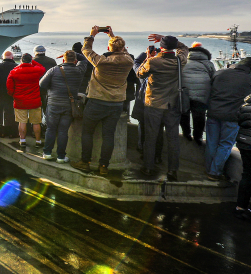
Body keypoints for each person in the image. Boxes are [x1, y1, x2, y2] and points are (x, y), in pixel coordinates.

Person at [72, 27, 134, 175]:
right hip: (116, 103)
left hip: (97, 101)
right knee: (109, 136)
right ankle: (103, 166)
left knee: (87, 133)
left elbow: (85, 50)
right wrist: (112, 36)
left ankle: (85, 162)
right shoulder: (129, 61)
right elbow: (123, 51)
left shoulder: (101, 61)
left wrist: (91, 35)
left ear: (108, 48)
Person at [136, 35, 189, 180]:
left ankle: (148, 167)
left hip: (154, 104)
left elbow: (139, 74)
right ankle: (172, 170)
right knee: (173, 139)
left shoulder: (154, 61)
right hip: (173, 104)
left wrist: (147, 57)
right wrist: (164, 38)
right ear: (174, 46)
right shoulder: (181, 60)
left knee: (151, 137)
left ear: (162, 46)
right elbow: (184, 48)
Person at [205, 57, 251, 180]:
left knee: (211, 143)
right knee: (225, 144)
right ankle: (214, 172)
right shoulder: (248, 78)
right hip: (232, 116)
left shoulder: (219, 73)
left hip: (213, 113)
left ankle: (209, 168)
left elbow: (209, 90)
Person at [39, 50, 86, 163]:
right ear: (75, 60)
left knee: (50, 129)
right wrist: (76, 53)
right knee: (63, 131)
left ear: (63, 59)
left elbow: (41, 84)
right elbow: (84, 59)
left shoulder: (54, 70)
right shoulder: (79, 70)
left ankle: (47, 153)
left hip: (53, 104)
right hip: (69, 105)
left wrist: (52, 88)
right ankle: (61, 156)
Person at [6, 53, 46, 151]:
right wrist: (32, 61)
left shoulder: (14, 71)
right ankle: (38, 141)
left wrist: (14, 95)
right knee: (36, 123)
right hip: (34, 100)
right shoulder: (36, 70)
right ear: (30, 60)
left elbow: (9, 87)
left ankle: (22, 141)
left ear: (21, 60)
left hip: (20, 101)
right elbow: (42, 68)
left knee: (22, 122)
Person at [181, 42, 215, 145]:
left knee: (184, 114)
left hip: (184, 92)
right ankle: (198, 137)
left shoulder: (184, 61)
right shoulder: (208, 63)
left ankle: (186, 133)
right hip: (202, 94)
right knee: (199, 116)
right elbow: (213, 78)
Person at [0, 50, 19, 138]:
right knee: (12, 111)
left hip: (0, 92)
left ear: (3, 58)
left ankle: (2, 131)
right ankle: (13, 132)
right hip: (13, 92)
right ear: (12, 58)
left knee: (0, 109)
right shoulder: (16, 66)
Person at [234, 94, 251, 220]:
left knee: (246, 174)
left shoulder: (244, 106)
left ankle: (240, 207)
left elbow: (239, 120)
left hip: (244, 143)